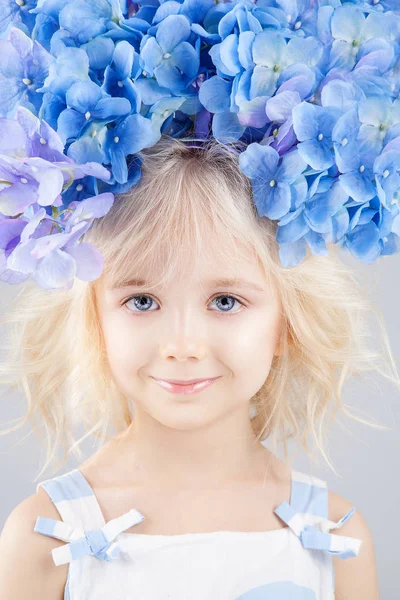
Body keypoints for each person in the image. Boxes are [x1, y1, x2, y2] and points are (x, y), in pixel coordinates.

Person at [1, 134, 393, 599]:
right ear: (94, 318)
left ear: (288, 321)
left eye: (225, 301)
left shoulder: (335, 538)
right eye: (142, 301)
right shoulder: (48, 536)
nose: (182, 346)